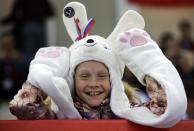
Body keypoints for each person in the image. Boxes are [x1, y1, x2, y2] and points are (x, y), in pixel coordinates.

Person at [8, 2, 186, 128]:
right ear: (71, 79)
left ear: (114, 79)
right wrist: (46, 71)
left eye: (102, 75)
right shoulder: (56, 112)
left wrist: (146, 59)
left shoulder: (131, 112)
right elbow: (23, 107)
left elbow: (169, 108)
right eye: (84, 76)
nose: (93, 83)